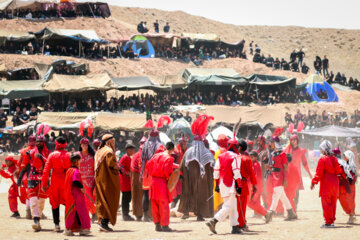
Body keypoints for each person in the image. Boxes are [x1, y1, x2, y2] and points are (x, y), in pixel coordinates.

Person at [178, 115, 215, 221]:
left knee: (189, 194)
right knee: (202, 196)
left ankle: (186, 212)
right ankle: (200, 215)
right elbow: (212, 167)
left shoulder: (188, 152)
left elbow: (182, 167)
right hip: (203, 181)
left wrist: (184, 176)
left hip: (191, 180)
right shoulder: (207, 153)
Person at [206, 135, 242, 234]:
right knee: (229, 206)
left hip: (222, 184)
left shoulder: (221, 156)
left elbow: (216, 172)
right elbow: (236, 173)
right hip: (231, 185)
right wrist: (239, 186)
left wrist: (217, 185)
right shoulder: (236, 157)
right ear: (236, 147)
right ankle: (214, 221)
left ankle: (235, 227)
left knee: (232, 205)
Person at [17, 135, 49, 232]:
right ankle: (35, 220)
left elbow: (49, 164)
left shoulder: (48, 153)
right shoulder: (29, 153)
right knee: (33, 200)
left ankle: (38, 219)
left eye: (40, 141)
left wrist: (42, 157)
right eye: (37, 141)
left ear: (44, 143)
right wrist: (19, 178)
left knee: (41, 202)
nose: (38, 143)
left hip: (43, 179)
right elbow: (24, 166)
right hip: (32, 178)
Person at [311, 140, 344, 228]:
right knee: (333, 203)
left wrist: (314, 182)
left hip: (326, 183)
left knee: (326, 203)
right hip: (335, 183)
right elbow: (338, 171)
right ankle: (331, 221)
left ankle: (328, 222)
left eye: (321, 149)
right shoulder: (335, 158)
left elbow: (319, 173)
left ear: (325, 149)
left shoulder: (322, 159)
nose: (321, 151)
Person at [41, 136, 71, 232]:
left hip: (54, 180)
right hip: (66, 180)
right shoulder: (69, 155)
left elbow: (46, 171)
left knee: (54, 203)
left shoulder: (52, 155)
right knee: (68, 202)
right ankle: (68, 225)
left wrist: (44, 185)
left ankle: (57, 225)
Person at [146, 141, 178, 232]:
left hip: (153, 182)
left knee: (154, 204)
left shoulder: (156, 155)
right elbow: (167, 172)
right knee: (163, 204)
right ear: (172, 149)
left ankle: (157, 225)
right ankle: (164, 225)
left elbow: (148, 166)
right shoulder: (169, 158)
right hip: (161, 182)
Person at [265, 136, 297, 222]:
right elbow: (275, 166)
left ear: (275, 143)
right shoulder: (272, 154)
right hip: (274, 177)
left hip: (280, 177)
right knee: (283, 196)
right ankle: (291, 213)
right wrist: (269, 167)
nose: (270, 144)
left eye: (271, 142)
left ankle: (270, 213)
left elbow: (286, 167)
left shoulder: (282, 154)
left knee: (275, 196)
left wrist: (285, 179)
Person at [95, 134, 120, 232]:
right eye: (112, 141)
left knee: (101, 200)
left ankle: (101, 222)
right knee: (109, 200)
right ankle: (104, 223)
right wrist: (118, 167)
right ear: (109, 142)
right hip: (108, 180)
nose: (114, 143)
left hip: (100, 180)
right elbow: (111, 164)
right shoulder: (108, 151)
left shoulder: (99, 151)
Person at [63, 153, 91, 236]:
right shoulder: (76, 171)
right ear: (76, 161)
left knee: (73, 211)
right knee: (82, 210)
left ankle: (71, 228)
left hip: (70, 194)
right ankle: (84, 228)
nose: (81, 161)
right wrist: (82, 187)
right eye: (79, 160)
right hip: (76, 194)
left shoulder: (69, 170)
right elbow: (75, 181)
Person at [141, 129, 165, 222]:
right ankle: (156, 216)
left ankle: (145, 215)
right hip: (156, 172)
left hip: (146, 172)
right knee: (157, 195)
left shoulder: (145, 145)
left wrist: (141, 173)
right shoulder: (160, 146)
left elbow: (142, 160)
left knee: (146, 194)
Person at [283, 134, 312, 211]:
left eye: (295, 140)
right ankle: (290, 207)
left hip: (297, 174)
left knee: (296, 190)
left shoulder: (301, 151)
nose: (293, 141)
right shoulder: (287, 150)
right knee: (288, 191)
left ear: (297, 141)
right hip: (288, 174)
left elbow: (305, 163)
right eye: (292, 140)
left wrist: (309, 173)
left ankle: (295, 206)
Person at [236, 140, 258, 231]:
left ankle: (240, 223)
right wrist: (254, 185)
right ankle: (241, 224)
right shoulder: (247, 159)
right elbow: (251, 173)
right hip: (243, 184)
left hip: (235, 184)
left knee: (237, 206)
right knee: (242, 206)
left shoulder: (235, 157)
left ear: (240, 147)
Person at [18, 135, 36, 220]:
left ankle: (28, 212)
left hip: (26, 175)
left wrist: (20, 177)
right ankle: (36, 212)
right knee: (37, 194)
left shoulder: (23, 151)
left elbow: (20, 164)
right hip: (37, 175)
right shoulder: (39, 150)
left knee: (29, 194)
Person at [78, 138, 96, 221]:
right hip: (79, 179)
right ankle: (91, 213)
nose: (84, 146)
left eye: (86, 145)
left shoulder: (93, 155)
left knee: (89, 198)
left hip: (90, 180)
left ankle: (91, 214)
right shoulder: (77, 155)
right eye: (83, 145)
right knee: (81, 199)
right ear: (80, 145)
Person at [248, 151, 269, 220]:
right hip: (257, 186)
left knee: (251, 202)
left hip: (256, 186)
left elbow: (256, 177)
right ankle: (257, 213)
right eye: (250, 157)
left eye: (252, 157)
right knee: (256, 201)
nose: (251, 158)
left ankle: (264, 212)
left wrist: (253, 186)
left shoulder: (256, 165)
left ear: (256, 157)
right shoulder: (253, 164)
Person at [337, 150, 357, 224]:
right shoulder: (343, 164)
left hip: (350, 186)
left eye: (345, 155)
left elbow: (353, 176)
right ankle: (351, 214)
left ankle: (352, 216)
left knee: (350, 200)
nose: (344, 157)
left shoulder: (352, 166)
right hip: (343, 185)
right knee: (343, 200)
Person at [131, 137, 147, 221]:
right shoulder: (144, 154)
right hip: (141, 175)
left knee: (137, 195)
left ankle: (138, 214)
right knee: (144, 194)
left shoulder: (136, 154)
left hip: (136, 176)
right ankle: (144, 214)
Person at [119, 142, 136, 221]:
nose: (133, 151)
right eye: (132, 150)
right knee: (126, 198)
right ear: (128, 150)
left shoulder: (128, 157)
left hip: (127, 181)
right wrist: (127, 173)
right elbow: (120, 167)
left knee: (127, 198)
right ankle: (125, 215)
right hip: (125, 181)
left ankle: (126, 214)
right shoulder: (125, 157)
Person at [170, 137, 187, 208]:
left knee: (182, 191)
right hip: (177, 174)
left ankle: (178, 206)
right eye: (184, 143)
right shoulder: (176, 152)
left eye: (186, 143)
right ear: (181, 144)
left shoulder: (186, 151)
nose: (185, 145)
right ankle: (173, 205)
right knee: (177, 192)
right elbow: (172, 163)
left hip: (184, 174)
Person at [213, 134, 229, 212]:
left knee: (218, 194)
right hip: (228, 176)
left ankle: (220, 210)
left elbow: (216, 166)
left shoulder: (218, 152)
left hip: (219, 176)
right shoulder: (229, 151)